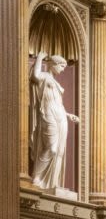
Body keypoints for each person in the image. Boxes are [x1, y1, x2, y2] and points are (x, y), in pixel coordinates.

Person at [30, 52, 79, 190]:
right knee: (51, 148)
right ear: (53, 64)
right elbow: (35, 75)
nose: (63, 69)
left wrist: (69, 115)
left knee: (60, 151)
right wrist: (39, 57)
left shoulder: (56, 83)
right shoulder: (44, 76)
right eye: (62, 66)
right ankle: (37, 177)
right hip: (48, 113)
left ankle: (54, 183)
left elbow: (59, 103)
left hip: (61, 116)